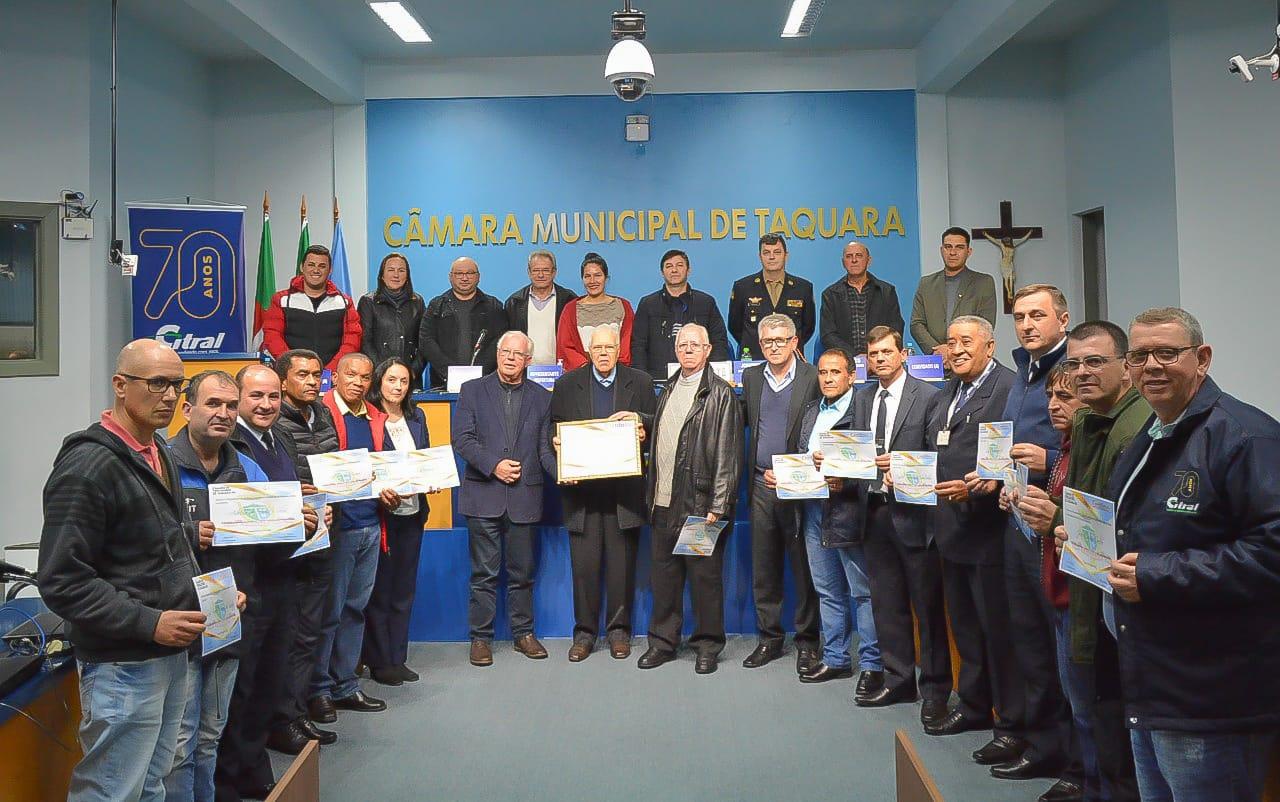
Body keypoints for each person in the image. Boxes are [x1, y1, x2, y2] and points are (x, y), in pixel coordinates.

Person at [1103, 308, 1280, 802]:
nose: (1152, 366)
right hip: (1155, 683)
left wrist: (1157, 574)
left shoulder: (1245, 436)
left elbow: (1273, 550)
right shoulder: (1156, 431)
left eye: (1167, 353)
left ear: (1201, 359)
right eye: (1140, 356)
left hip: (1212, 697)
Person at [38, 339, 204, 802]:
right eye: (156, 384)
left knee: (150, 785)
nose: (170, 396)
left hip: (168, 654)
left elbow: (159, 548)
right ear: (121, 386)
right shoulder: (88, 466)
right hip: (123, 664)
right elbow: (61, 579)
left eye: (177, 384)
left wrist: (209, 594)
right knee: (112, 791)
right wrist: (149, 622)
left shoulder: (157, 451)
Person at [1021, 325, 1148, 802]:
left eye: (1095, 362)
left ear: (1125, 366)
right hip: (1083, 593)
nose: (1081, 374)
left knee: (1114, 728)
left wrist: (1054, 517)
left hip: (1119, 603)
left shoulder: (1132, 429)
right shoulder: (1089, 423)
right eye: (1074, 364)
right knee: (1094, 715)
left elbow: (1114, 529)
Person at [966, 283, 1074, 783]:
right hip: (1015, 517)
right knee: (1023, 637)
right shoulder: (1025, 373)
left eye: (1038, 315)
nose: (1027, 324)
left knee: (1057, 646)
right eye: (1020, 317)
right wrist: (997, 477)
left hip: (1056, 526)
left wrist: (1047, 460)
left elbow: (1088, 450)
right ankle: (1035, 736)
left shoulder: (1074, 371)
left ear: (1063, 319)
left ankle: (1066, 753)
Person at [220, 362, 334, 801]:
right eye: (255, 397)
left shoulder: (278, 437)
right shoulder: (231, 443)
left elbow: (282, 491)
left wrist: (308, 500)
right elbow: (238, 512)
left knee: (270, 677)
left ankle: (252, 767)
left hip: (286, 573)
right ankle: (231, 778)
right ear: (239, 399)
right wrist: (290, 513)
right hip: (250, 580)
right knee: (243, 685)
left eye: (271, 397)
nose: (266, 405)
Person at [923, 317, 1024, 772]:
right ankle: (974, 705)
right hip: (950, 529)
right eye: (951, 342)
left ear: (990, 345)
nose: (957, 349)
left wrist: (987, 483)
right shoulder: (947, 391)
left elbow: (1015, 455)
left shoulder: (1008, 387)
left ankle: (1011, 723)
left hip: (989, 531)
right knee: (965, 627)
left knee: (998, 631)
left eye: (967, 341)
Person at [165, 370, 267, 802]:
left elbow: (271, 534)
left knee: (210, 735)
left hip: (229, 616)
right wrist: (190, 530)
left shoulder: (246, 466)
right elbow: (138, 539)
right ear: (187, 409)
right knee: (179, 744)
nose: (223, 414)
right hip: (179, 624)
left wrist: (306, 519)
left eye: (229, 405)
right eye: (212, 404)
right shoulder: (161, 463)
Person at [854, 327, 949, 720]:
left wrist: (904, 470)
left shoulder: (928, 395)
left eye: (886, 352)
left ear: (904, 353)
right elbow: (854, 445)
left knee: (926, 607)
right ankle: (898, 680)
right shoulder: (863, 397)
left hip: (914, 514)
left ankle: (935, 691)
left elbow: (936, 454)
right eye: (873, 354)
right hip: (873, 511)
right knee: (887, 603)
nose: (879, 359)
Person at [638, 323, 743, 675]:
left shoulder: (720, 394)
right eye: (682, 345)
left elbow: (729, 453)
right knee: (664, 579)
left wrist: (719, 504)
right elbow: (669, 432)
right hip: (663, 502)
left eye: (694, 345)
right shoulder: (668, 387)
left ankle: (708, 645)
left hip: (700, 507)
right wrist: (639, 421)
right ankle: (663, 643)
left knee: (704, 581)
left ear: (708, 349)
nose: (687, 350)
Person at [550, 327, 656, 661]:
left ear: (620, 348)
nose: (604, 353)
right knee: (584, 569)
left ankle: (618, 632)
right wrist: (558, 447)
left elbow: (656, 424)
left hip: (624, 493)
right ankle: (584, 634)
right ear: (588, 349)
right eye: (598, 347)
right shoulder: (567, 384)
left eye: (610, 347)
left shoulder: (639, 382)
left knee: (622, 567)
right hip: (582, 495)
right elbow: (552, 429)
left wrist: (642, 427)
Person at [453, 331, 558, 667]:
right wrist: (493, 465)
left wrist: (569, 474)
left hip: (525, 498)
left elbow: (544, 449)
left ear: (528, 360)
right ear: (497, 354)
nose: (511, 358)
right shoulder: (472, 391)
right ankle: (480, 639)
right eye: (505, 352)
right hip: (483, 495)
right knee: (483, 574)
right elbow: (462, 440)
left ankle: (523, 634)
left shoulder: (542, 398)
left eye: (518, 354)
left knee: (522, 573)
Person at [309, 353, 394, 720]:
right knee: (329, 612)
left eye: (364, 376)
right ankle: (318, 689)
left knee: (355, 609)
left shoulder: (374, 416)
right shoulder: (322, 413)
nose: (358, 382)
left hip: (371, 525)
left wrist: (395, 487)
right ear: (336, 377)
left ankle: (345, 684)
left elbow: (387, 466)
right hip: (337, 528)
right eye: (351, 375)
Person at [738, 313, 821, 673]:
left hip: (798, 486)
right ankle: (769, 639)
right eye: (767, 341)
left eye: (780, 340)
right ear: (760, 344)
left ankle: (807, 642)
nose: (773, 346)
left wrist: (795, 474)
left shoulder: (813, 376)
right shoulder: (751, 377)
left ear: (794, 342)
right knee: (765, 566)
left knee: (804, 567)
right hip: (759, 483)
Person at [268, 350, 342, 746]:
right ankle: (283, 718)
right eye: (302, 375)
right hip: (288, 539)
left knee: (312, 628)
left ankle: (297, 711)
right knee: (292, 631)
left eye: (316, 375)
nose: (312, 381)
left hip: (324, 532)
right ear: (283, 381)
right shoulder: (272, 421)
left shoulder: (324, 415)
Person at [797, 348, 882, 688]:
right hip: (813, 506)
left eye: (835, 372)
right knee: (827, 589)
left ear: (851, 376)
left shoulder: (862, 410)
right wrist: (786, 476)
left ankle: (872, 664)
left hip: (848, 508)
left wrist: (844, 477)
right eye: (823, 372)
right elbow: (803, 456)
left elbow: (871, 461)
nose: (828, 378)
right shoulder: (810, 411)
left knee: (861, 590)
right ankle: (835, 658)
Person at [362, 358, 432, 685]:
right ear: (380, 382)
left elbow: (426, 459)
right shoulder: (369, 418)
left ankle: (398, 656)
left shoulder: (417, 417)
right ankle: (379, 661)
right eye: (392, 380)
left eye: (403, 381)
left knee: (404, 589)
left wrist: (433, 478)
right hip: (381, 516)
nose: (398, 387)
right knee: (380, 590)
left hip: (413, 513)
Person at [632, 249, 731, 378]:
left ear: (688, 270)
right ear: (662, 272)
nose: (674, 270)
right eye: (669, 266)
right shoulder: (648, 304)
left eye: (679, 265)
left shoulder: (706, 302)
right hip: (657, 379)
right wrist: (643, 380)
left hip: (699, 377)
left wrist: (712, 377)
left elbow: (719, 342)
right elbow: (638, 345)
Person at [262, 244, 362, 372]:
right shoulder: (281, 300)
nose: (316, 270)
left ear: (330, 270)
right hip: (292, 372)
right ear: (302, 267)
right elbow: (272, 336)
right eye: (311, 265)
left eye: (322, 266)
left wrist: (330, 370)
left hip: (332, 375)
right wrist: (294, 366)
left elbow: (352, 340)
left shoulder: (344, 302)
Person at [418, 256, 508, 389]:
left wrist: (478, 373)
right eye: (459, 273)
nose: (464, 278)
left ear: (478, 277)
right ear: (450, 277)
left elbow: (500, 342)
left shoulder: (493, 306)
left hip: (485, 383)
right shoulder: (436, 306)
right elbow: (426, 341)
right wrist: (450, 372)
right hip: (443, 383)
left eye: (470, 273)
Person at [910, 227, 998, 360]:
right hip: (936, 360)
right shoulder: (926, 283)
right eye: (948, 247)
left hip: (970, 358)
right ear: (941, 250)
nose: (952, 252)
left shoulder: (984, 282)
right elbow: (916, 324)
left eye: (959, 247)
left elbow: (985, 325)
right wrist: (937, 350)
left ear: (969, 252)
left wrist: (955, 348)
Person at [727, 233, 816, 359]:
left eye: (777, 252)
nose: (772, 257)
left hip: (791, 359)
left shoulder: (803, 288)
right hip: (753, 359)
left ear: (786, 255)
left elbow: (808, 327)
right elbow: (735, 326)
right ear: (760, 256)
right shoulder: (742, 287)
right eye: (766, 253)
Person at [819, 241, 905, 357]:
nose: (854, 260)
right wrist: (853, 356)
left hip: (881, 358)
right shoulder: (830, 294)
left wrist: (873, 354)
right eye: (849, 256)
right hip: (845, 362)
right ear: (843, 262)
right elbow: (828, 335)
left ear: (869, 260)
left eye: (859, 255)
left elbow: (896, 328)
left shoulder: (886, 291)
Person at [358, 253, 427, 389]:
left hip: (410, 379)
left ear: (407, 276)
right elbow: (365, 342)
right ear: (382, 275)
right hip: (379, 378)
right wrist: (382, 372)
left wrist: (412, 371)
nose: (396, 275)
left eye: (401, 270)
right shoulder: (368, 302)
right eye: (391, 270)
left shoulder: (417, 302)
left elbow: (424, 341)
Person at [556, 252, 635, 370]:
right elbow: (564, 346)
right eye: (587, 276)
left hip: (617, 373)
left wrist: (615, 368)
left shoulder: (623, 306)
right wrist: (586, 369)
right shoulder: (570, 309)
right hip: (581, 375)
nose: (592, 281)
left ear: (606, 278)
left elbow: (628, 342)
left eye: (598, 275)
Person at [503, 250, 577, 365]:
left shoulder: (569, 300)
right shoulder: (514, 303)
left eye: (546, 270)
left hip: (561, 372)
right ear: (529, 272)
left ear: (554, 272)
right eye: (536, 270)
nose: (541, 275)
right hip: (524, 372)